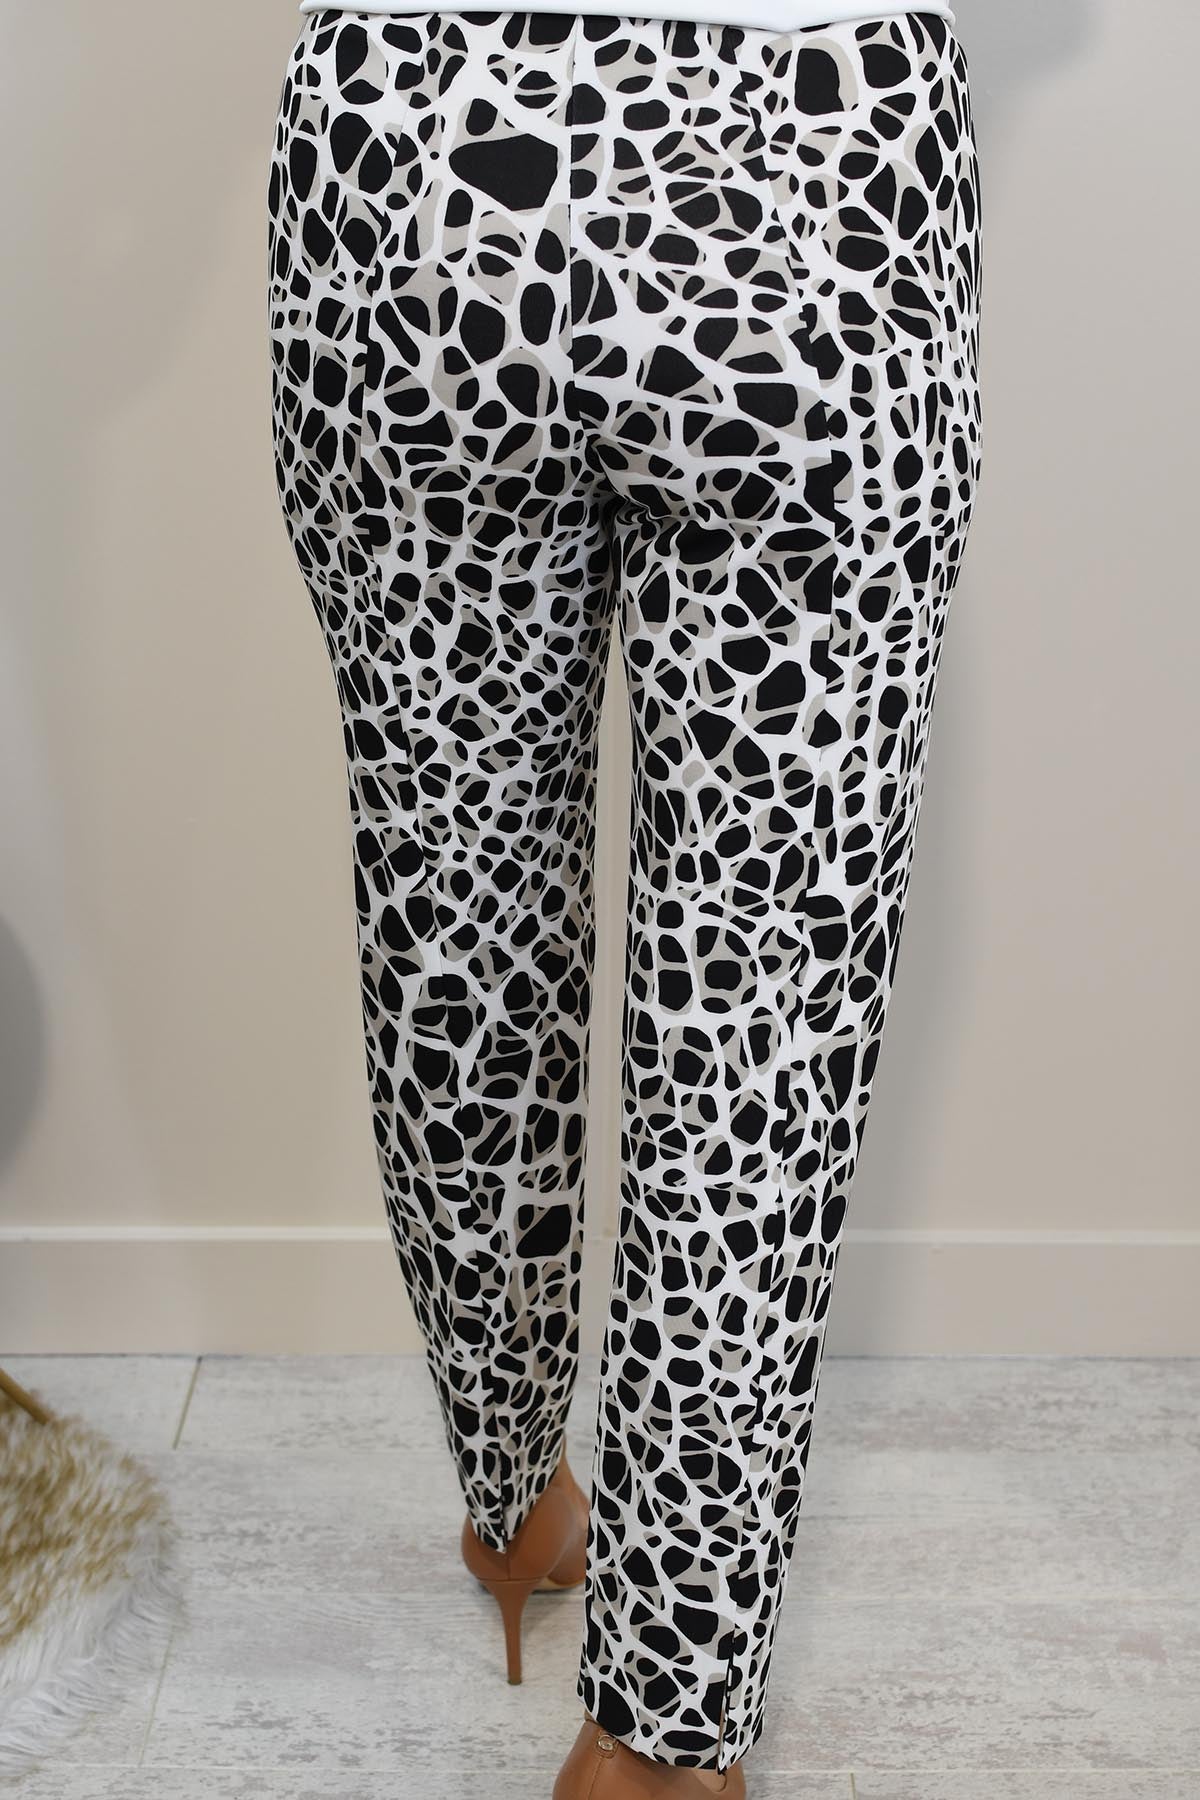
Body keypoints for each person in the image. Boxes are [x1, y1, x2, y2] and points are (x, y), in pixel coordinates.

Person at [265, 0, 982, 1790]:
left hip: (412, 158)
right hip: (818, 159)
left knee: (454, 929)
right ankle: (663, 1729)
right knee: (760, 1017)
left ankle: (516, 1497)